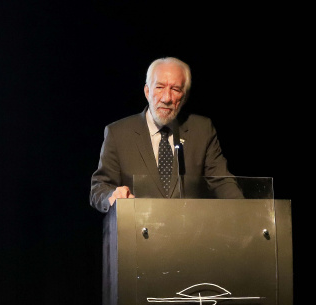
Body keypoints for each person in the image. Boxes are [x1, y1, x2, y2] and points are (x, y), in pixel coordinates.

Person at [89, 57, 242, 213]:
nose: (166, 98)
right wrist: (112, 196)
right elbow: (99, 187)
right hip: (137, 231)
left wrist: (246, 211)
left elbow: (222, 183)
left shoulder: (202, 130)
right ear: (147, 91)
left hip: (189, 232)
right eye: (160, 87)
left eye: (175, 89)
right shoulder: (118, 133)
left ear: (185, 96)